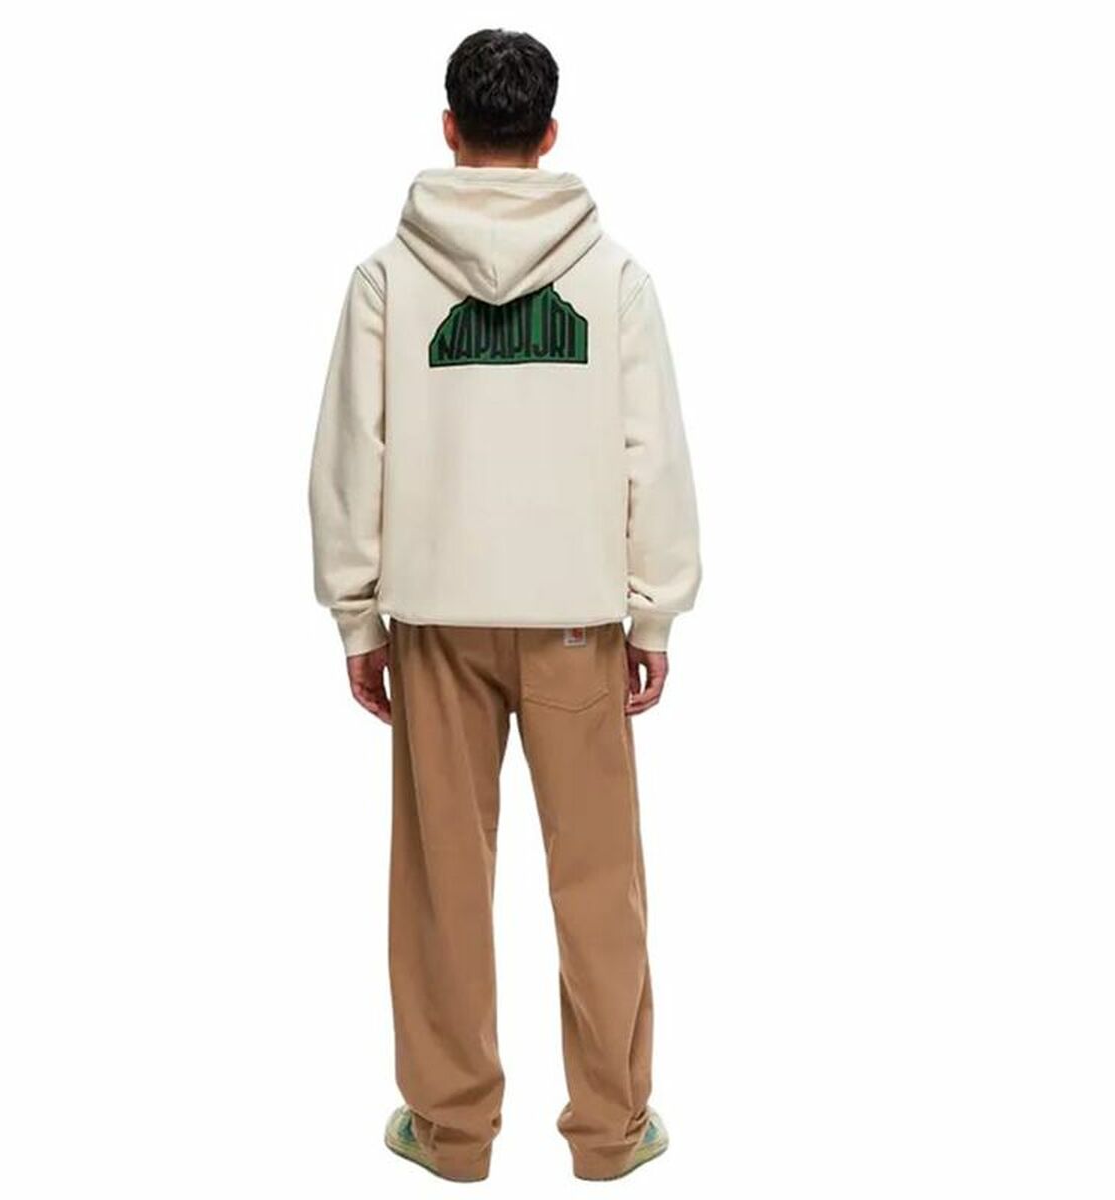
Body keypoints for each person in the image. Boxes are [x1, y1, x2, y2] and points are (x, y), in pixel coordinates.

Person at [307, 27, 701, 1183]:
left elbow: (352, 455)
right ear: (549, 133)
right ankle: (612, 1131)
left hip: (437, 622)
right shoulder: (612, 280)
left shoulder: (388, 280)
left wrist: (358, 617)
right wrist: (653, 613)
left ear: (449, 128)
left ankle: (451, 1130)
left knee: (441, 884)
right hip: (577, 620)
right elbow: (653, 455)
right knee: (600, 883)